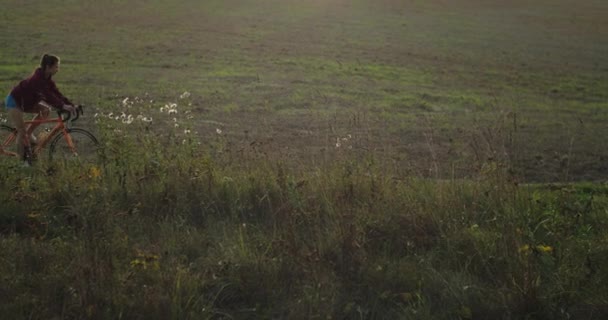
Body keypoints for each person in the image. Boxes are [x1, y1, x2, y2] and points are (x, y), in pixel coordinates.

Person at [4, 54, 77, 164]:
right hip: (15, 102)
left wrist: (70, 104)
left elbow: (56, 93)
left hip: (27, 102)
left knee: (45, 110)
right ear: (48, 67)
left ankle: (29, 135)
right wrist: (62, 106)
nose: (58, 69)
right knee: (22, 132)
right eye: (56, 67)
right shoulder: (37, 79)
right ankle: (21, 162)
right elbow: (48, 95)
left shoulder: (47, 78)